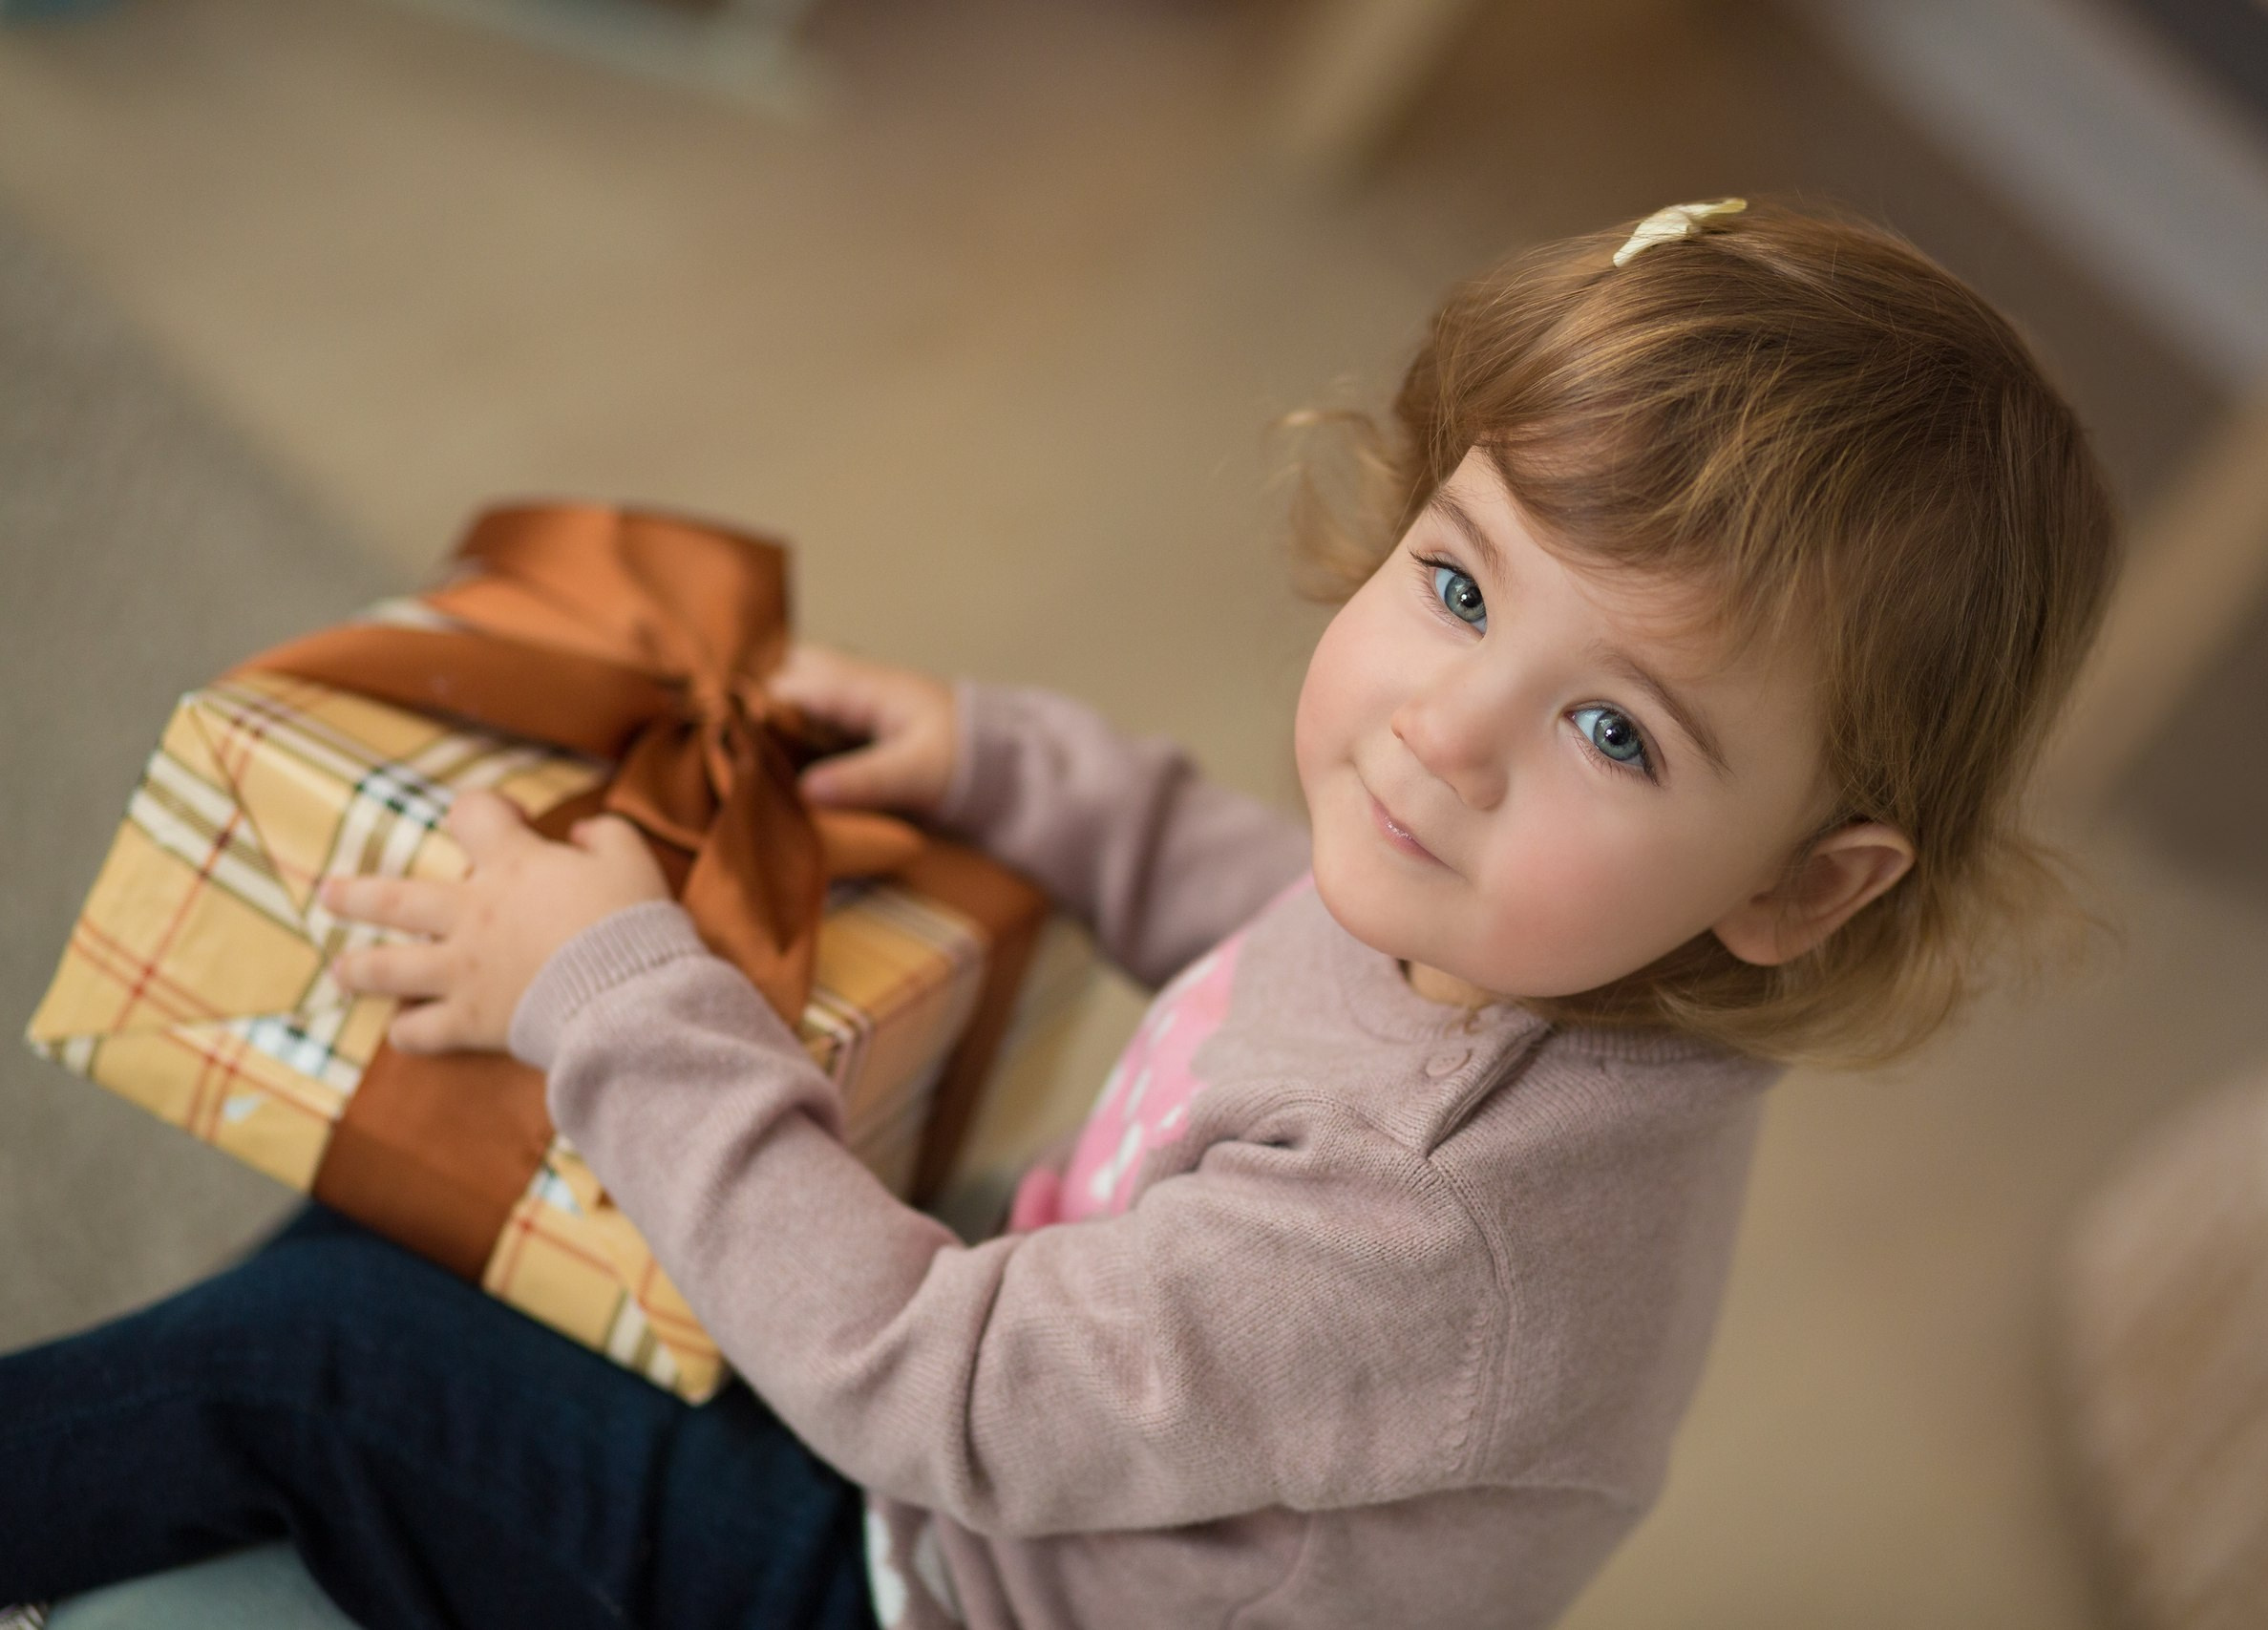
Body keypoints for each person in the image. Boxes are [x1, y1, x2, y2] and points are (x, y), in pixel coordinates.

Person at [0, 199, 2118, 1630]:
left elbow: (932, 1389)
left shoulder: (1438, 1230)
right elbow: (1261, 919)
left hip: (917, 1568)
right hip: (1026, 1413)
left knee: (318, 1359)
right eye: (1459, 585)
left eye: (1612, 728)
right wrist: (1013, 759)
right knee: (437, 1205)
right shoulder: (1536, 937)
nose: (1443, 731)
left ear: (1797, 886)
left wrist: (609, 980)